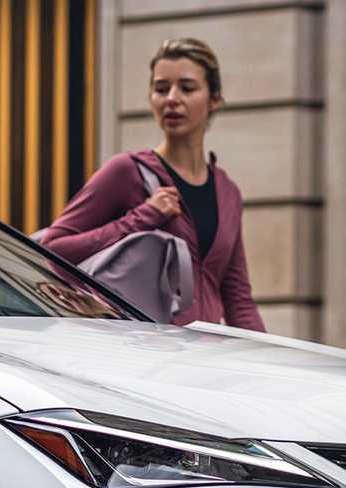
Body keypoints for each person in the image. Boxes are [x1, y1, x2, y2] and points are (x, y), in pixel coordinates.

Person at [43, 38, 265, 332]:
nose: (172, 98)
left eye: (187, 88)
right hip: (141, 352)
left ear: (214, 98)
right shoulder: (126, 172)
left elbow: (237, 298)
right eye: (161, 89)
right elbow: (53, 249)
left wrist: (267, 366)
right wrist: (141, 218)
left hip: (206, 358)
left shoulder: (227, 193)